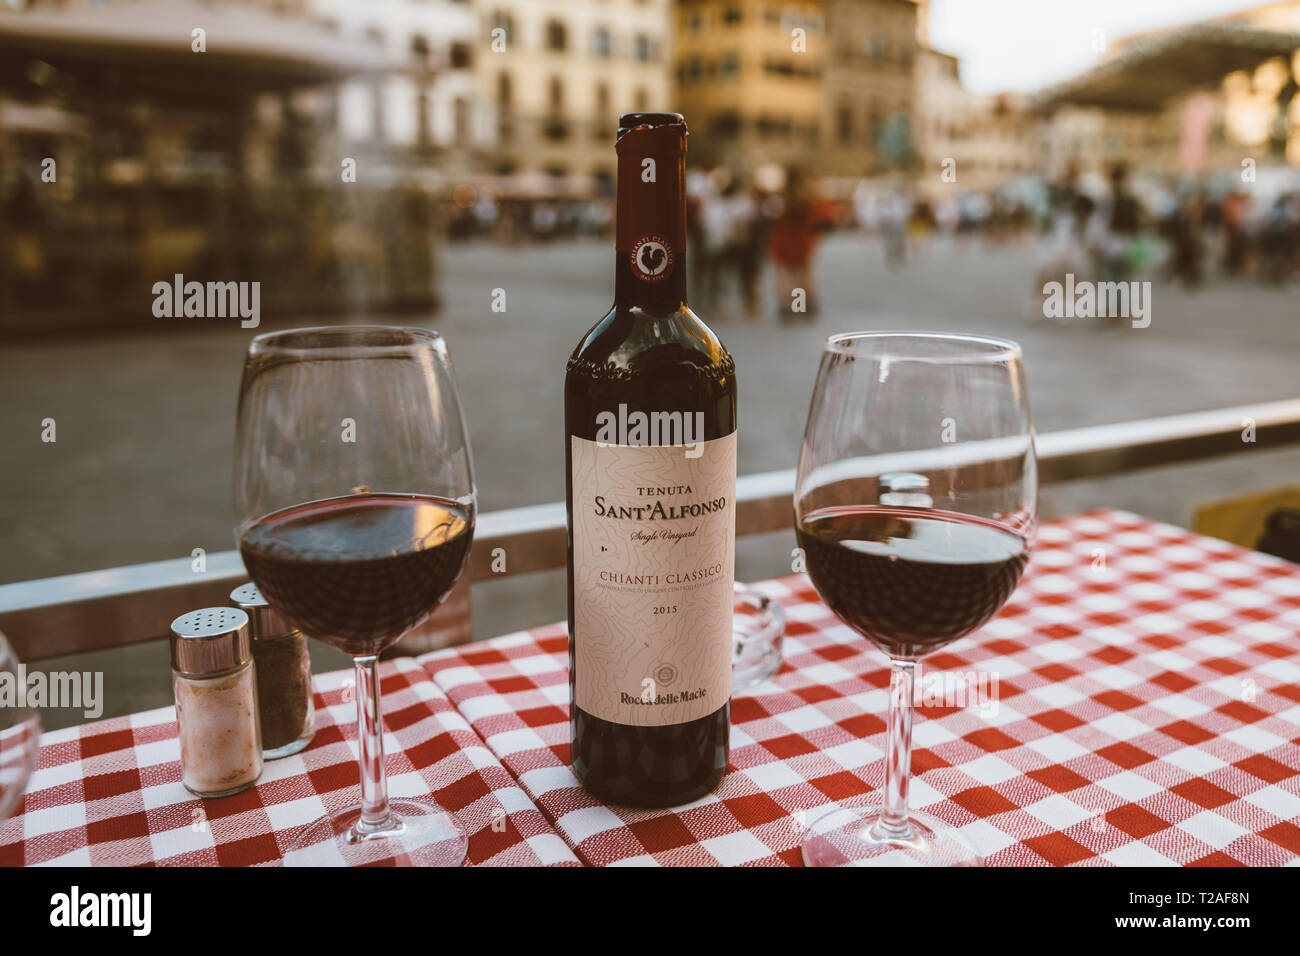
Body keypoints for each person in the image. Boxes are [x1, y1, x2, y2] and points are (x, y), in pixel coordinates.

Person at [768, 168, 831, 320]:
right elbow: (820, 216)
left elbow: (773, 216)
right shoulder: (807, 195)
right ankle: (802, 306)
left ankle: (788, 306)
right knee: (804, 274)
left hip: (784, 238)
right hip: (802, 238)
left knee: (785, 274)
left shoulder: (782, 196)